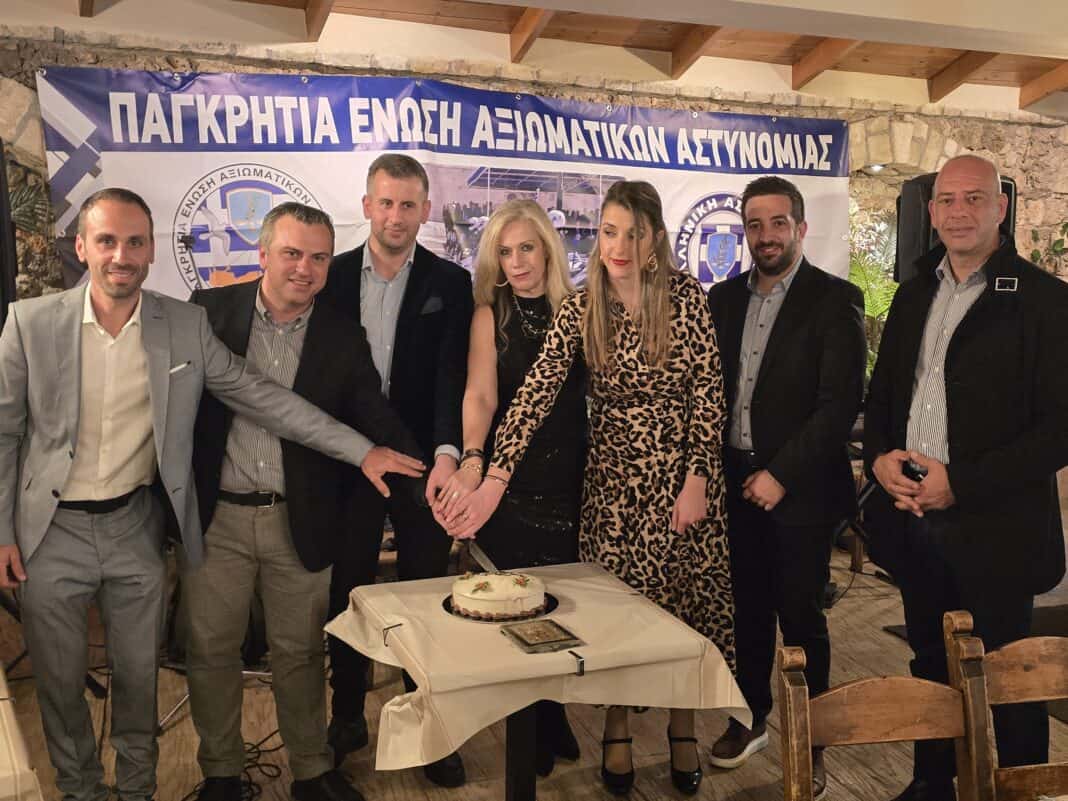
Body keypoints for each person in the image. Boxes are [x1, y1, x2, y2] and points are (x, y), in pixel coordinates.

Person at [0, 188, 423, 801]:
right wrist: (3, 531)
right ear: (81, 247)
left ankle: (145, 789)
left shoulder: (185, 325)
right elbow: (6, 432)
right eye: (107, 241)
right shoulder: (37, 322)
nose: (121, 255)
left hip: (154, 525)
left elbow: (268, 399)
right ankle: (93, 789)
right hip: (73, 530)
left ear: (151, 252)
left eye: (135, 242)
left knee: (147, 674)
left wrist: (367, 450)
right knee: (74, 679)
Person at [443, 180, 734, 797]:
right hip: (612, 485)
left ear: (655, 239)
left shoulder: (686, 296)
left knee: (680, 614)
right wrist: (492, 477)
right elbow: (532, 396)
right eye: (608, 232)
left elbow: (708, 394)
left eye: (633, 233)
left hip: (680, 480)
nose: (619, 246)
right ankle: (617, 728)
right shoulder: (582, 306)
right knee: (620, 616)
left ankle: (683, 726)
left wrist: (698, 478)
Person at [185, 203, 426, 801]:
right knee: (212, 651)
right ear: (262, 253)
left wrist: (434, 474)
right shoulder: (207, 313)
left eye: (319, 257)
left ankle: (312, 771)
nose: (305, 268)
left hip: (300, 520)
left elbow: (374, 414)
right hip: (217, 519)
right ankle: (221, 773)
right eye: (292, 253)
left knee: (300, 652)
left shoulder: (342, 335)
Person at [864, 153, 1068, 801]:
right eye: (947, 200)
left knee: (1009, 673)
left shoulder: (1045, 301)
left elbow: (1058, 431)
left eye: (974, 198)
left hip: (997, 528)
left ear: (1000, 207)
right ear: (930, 212)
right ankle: (932, 783)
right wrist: (879, 457)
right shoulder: (912, 294)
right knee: (929, 662)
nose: (959, 212)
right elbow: (885, 396)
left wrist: (963, 482)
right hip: (916, 518)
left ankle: (1023, 790)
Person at [706, 176, 865, 798]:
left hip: (800, 490)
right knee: (745, 610)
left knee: (801, 617)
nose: (765, 235)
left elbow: (838, 404)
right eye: (754, 224)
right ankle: (750, 718)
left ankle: (810, 738)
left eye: (778, 223)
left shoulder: (835, 299)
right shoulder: (722, 299)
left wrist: (781, 474)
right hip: (733, 483)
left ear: (800, 228)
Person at [318, 154, 474, 788]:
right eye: (385, 202)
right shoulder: (328, 277)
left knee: (424, 595)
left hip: (421, 464)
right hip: (349, 461)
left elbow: (452, 378)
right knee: (349, 592)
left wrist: (447, 455)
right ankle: (346, 716)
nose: (396, 216)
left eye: (408, 204)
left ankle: (428, 724)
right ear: (366, 206)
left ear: (425, 210)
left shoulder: (451, 282)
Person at [432, 199, 587, 777]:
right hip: (510, 481)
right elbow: (480, 394)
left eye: (526, 248)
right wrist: (474, 459)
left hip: (572, 481)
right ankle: (531, 730)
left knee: (565, 606)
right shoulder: (489, 314)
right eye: (504, 251)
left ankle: (555, 713)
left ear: (548, 248)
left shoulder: (580, 310)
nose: (517, 262)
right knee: (517, 609)